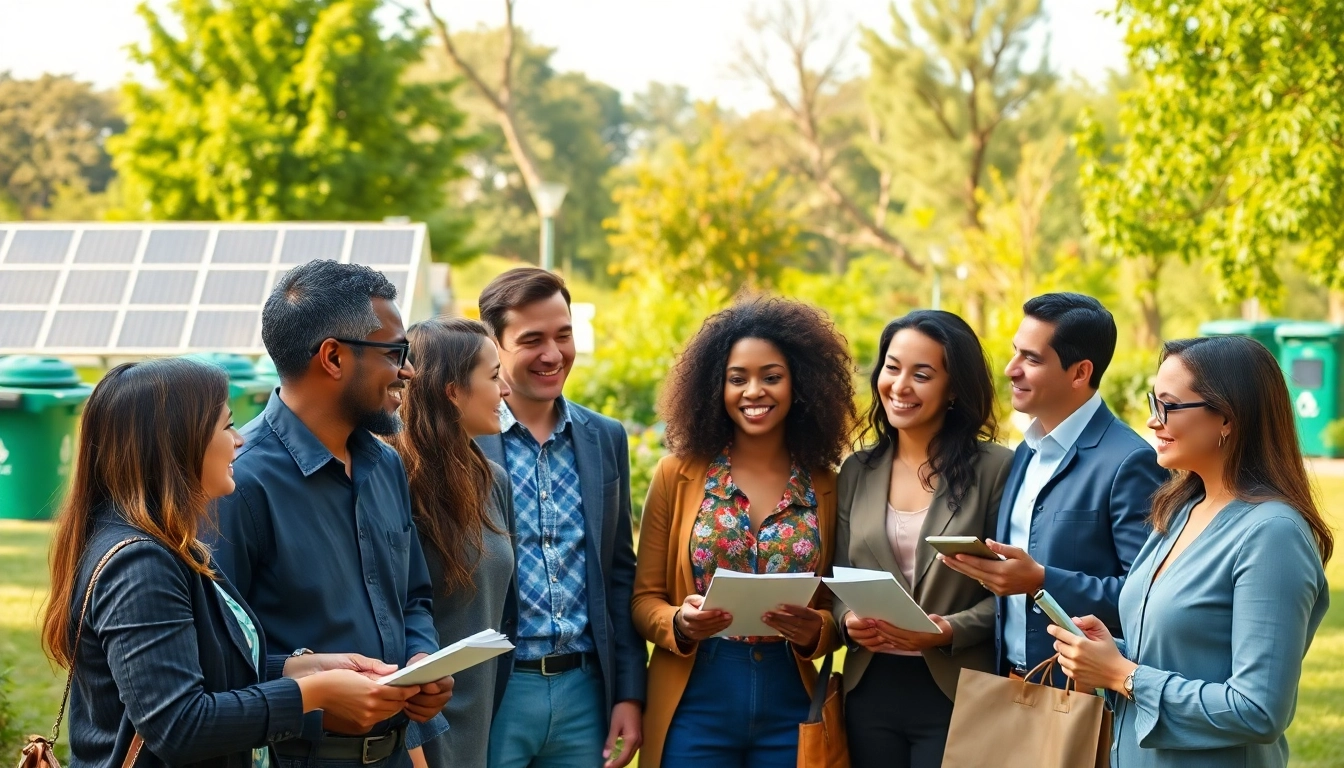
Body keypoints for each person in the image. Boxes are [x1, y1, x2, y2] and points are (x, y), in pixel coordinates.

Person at [41, 358, 421, 767]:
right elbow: (179, 725)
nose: (239, 440)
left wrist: (305, 667)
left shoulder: (171, 546)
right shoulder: (140, 565)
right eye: (226, 426)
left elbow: (204, 669)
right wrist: (315, 693)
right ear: (177, 443)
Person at [211, 260, 453, 767]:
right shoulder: (237, 482)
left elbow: (413, 597)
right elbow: (214, 659)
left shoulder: (386, 464)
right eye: (395, 353)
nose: (409, 370)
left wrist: (420, 660)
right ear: (334, 357)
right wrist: (319, 693)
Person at [1049, 336, 1333, 767]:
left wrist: (1122, 674)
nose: (1151, 420)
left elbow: (1257, 710)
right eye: (1153, 401)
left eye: (1169, 405)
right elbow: (1182, 655)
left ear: (1228, 417)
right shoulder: (1181, 508)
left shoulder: (1273, 534)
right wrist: (1112, 653)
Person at [632, 296, 858, 768]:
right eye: (738, 379)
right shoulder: (677, 475)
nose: (753, 391)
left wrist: (816, 630)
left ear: (801, 384)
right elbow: (644, 599)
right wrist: (678, 621)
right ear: (716, 386)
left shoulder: (828, 485)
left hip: (790, 695)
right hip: (697, 694)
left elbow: (840, 611)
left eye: (771, 377)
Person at [940, 292, 1167, 685]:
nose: (1011, 369)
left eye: (1031, 359)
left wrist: (1041, 581)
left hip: (1079, 695)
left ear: (1080, 373)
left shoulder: (1130, 462)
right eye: (1015, 353)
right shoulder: (1026, 451)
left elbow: (1148, 596)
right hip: (1005, 682)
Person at [474, 267, 646, 768]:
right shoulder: (464, 439)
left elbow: (618, 573)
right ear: (494, 344)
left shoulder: (604, 437)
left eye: (563, 335)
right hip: (496, 692)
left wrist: (629, 696)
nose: (553, 354)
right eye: (532, 340)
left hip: (585, 694)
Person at [834, 310, 1013, 768]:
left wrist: (950, 629)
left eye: (922, 374)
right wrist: (847, 619)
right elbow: (836, 579)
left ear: (953, 388)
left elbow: (1013, 593)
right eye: (892, 368)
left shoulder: (996, 469)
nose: (900, 386)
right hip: (869, 688)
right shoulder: (858, 470)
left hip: (956, 689)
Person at [388, 317, 515, 768]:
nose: (505, 391)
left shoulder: (491, 480)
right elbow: (390, 621)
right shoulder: (396, 483)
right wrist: (416, 751)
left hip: (474, 733)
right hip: (414, 739)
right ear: (452, 390)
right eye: (495, 375)